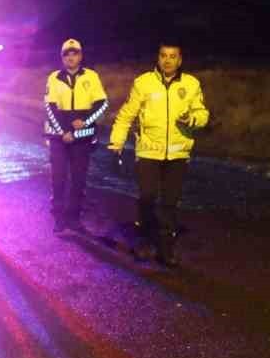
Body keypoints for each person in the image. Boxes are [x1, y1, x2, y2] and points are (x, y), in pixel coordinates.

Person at [106, 43, 209, 267]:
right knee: (148, 198)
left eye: (173, 56)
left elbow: (202, 113)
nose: (168, 60)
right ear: (158, 58)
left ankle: (166, 250)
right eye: (164, 56)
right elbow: (126, 115)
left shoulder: (191, 84)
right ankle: (144, 242)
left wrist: (192, 119)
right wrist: (116, 142)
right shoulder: (144, 83)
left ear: (180, 60)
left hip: (177, 153)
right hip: (148, 152)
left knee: (170, 203)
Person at [43, 38, 109, 233]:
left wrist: (85, 122)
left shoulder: (92, 76)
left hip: (82, 139)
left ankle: (74, 218)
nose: (71, 57)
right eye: (67, 54)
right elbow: (50, 107)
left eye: (75, 53)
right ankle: (59, 217)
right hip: (59, 138)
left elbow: (102, 104)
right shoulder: (54, 77)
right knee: (59, 179)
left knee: (79, 180)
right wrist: (64, 132)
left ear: (80, 55)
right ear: (62, 57)